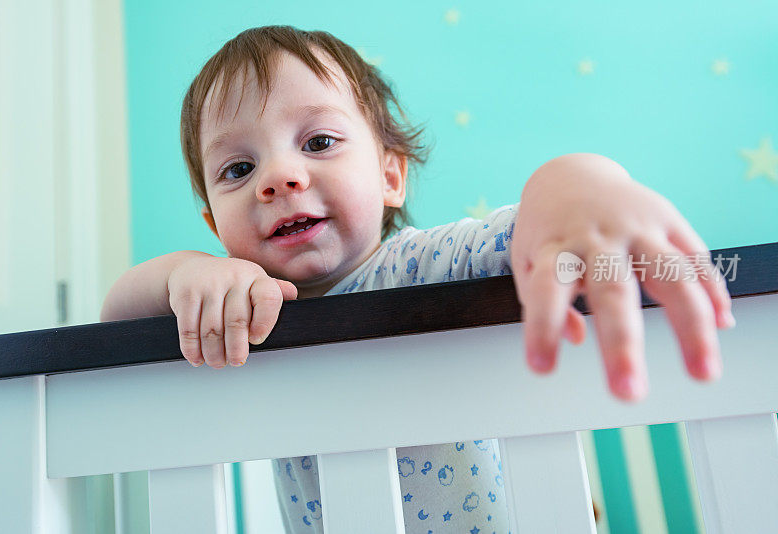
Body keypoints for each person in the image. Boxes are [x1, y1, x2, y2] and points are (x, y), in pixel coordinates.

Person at [101, 25, 735, 534]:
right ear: (216, 226)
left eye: (318, 142)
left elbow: (534, 226)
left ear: (390, 176)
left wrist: (578, 186)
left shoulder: (424, 268)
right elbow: (111, 327)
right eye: (239, 167)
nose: (279, 176)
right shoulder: (241, 316)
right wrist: (187, 273)